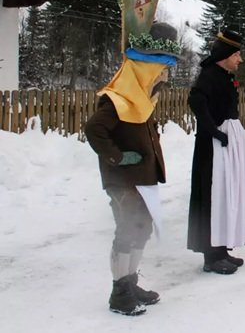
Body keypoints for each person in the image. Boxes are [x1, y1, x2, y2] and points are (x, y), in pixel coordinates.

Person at [85, 22, 181, 316]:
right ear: (147, 68)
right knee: (126, 230)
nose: (166, 75)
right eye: (163, 69)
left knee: (142, 228)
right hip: (123, 179)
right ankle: (119, 293)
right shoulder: (118, 99)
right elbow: (94, 130)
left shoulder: (142, 96)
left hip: (142, 178)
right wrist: (118, 157)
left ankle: (130, 283)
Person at [187, 30, 245, 274]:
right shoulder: (209, 76)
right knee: (213, 194)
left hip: (227, 143)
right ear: (225, 55)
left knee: (227, 193)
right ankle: (211, 255)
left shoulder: (224, 76)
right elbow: (196, 102)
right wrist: (214, 132)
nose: (240, 59)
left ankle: (222, 249)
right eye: (237, 55)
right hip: (214, 147)